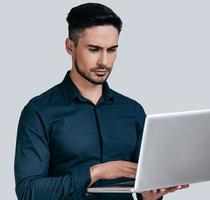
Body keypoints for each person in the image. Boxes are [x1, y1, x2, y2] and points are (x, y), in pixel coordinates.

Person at [14, 3, 188, 200]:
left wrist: (150, 195)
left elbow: (143, 186)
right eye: (94, 49)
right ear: (70, 47)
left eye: (112, 50)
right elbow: (28, 192)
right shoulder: (39, 111)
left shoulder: (133, 111)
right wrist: (95, 173)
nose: (104, 61)